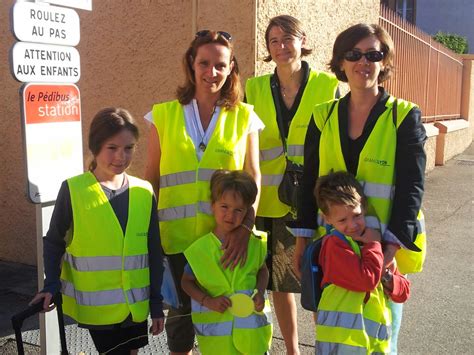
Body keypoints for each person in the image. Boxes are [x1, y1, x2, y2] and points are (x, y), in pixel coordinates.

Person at [294, 23, 427, 354]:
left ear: (384, 63)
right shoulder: (322, 115)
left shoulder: (403, 115)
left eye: (373, 54)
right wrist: (301, 242)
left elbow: (413, 188)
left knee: (380, 338)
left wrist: (390, 252)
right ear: (341, 62)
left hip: (382, 249)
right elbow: (309, 181)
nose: (363, 62)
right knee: (336, 335)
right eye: (353, 54)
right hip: (334, 248)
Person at [144, 30, 262, 355]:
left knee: (225, 327)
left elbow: (253, 177)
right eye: (204, 63)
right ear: (191, 65)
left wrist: (246, 230)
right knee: (180, 328)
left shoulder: (245, 117)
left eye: (220, 65)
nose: (212, 72)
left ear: (231, 68)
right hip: (178, 243)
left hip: (225, 244)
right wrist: (145, 234)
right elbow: (150, 179)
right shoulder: (163, 115)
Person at [30, 108, 165, 355]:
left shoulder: (144, 191)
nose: (121, 156)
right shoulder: (74, 190)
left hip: (135, 306)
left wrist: (156, 303)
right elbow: (54, 242)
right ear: (95, 147)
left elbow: (154, 251)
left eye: (129, 148)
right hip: (99, 310)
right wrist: (50, 284)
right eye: (112, 148)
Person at [244, 15, 338, 354]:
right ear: (268, 48)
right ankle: (293, 350)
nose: (281, 46)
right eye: (274, 41)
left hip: (313, 199)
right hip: (267, 201)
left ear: (302, 40)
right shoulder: (253, 88)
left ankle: (325, 346)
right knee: (278, 284)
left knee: (318, 278)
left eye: (288, 38)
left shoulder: (327, 86)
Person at [314, 171, 410, 354]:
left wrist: (389, 278)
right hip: (342, 345)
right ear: (328, 219)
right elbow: (367, 280)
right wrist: (373, 244)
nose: (352, 225)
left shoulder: (373, 246)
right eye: (342, 220)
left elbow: (403, 293)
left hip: (373, 345)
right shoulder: (335, 246)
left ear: (364, 207)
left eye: (356, 215)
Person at [181, 170, 272, 354]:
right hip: (218, 344)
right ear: (212, 206)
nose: (230, 215)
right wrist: (208, 301)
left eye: (238, 210)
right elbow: (186, 281)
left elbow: (263, 271)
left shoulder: (256, 243)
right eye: (224, 207)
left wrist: (260, 292)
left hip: (253, 339)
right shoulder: (199, 250)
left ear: (247, 212)